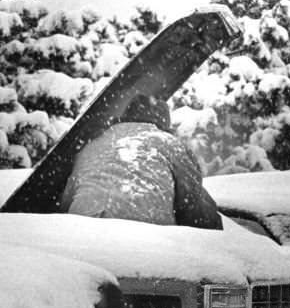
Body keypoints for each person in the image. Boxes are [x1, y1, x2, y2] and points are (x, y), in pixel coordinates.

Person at [62, 94, 223, 230]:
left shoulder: (94, 144)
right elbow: (195, 210)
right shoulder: (170, 143)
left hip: (81, 234)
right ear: (163, 123)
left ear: (126, 115)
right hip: (144, 240)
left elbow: (66, 201)